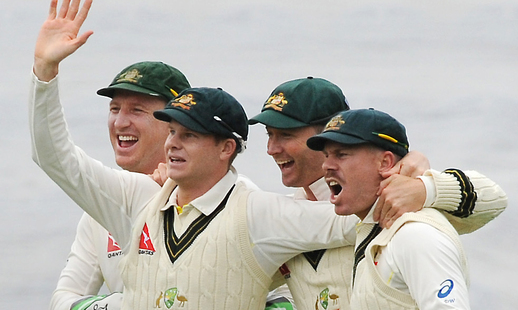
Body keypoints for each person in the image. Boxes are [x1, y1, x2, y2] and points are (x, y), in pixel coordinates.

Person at [31, 0, 354, 308]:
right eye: (172, 132)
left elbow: (356, 219)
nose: (173, 143)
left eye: (189, 135)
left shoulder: (258, 211)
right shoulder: (138, 197)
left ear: (226, 148)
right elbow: (56, 159)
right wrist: (45, 70)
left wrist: (402, 175)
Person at [248, 78, 508, 309]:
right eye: (269, 135)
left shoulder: (400, 203)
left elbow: (496, 199)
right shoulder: (285, 220)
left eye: (285, 134)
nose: (271, 148)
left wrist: (425, 188)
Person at [307, 108, 482, 309]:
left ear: (385, 162)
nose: (326, 165)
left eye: (341, 154)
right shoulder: (374, 227)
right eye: (326, 155)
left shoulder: (416, 234)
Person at [50, 60, 191, 310]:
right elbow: (63, 299)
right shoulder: (101, 209)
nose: (120, 123)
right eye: (115, 109)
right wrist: (120, 305)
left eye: (137, 110)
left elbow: (279, 298)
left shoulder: (217, 192)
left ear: (177, 123)